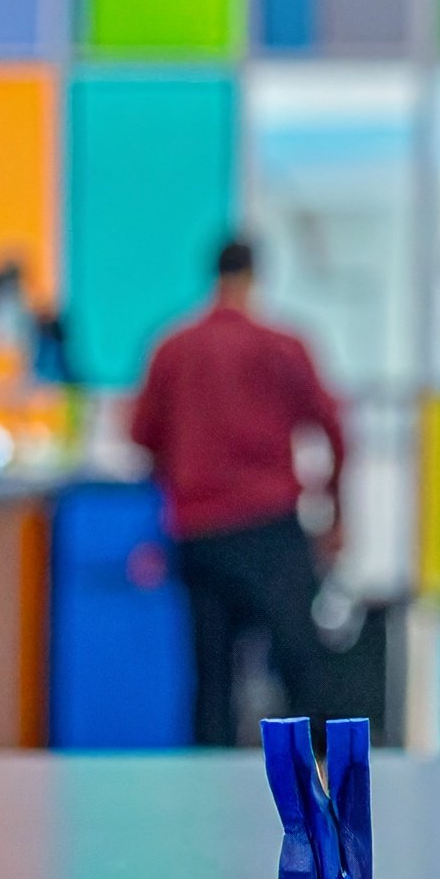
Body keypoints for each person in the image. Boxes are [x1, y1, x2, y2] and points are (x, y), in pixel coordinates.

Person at [130, 237, 346, 747]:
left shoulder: (173, 348)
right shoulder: (282, 346)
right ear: (255, 279)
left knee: (211, 681)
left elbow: (143, 437)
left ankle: (208, 810)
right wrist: (337, 510)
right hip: (270, 528)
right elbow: (335, 430)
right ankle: (320, 799)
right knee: (300, 666)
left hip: (199, 534)